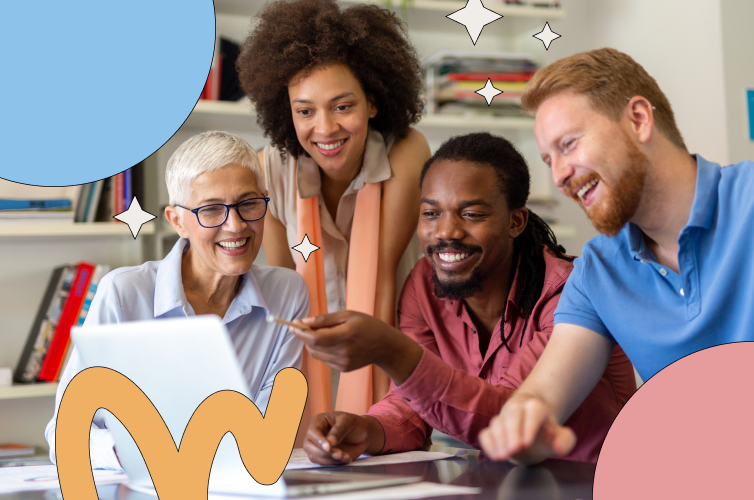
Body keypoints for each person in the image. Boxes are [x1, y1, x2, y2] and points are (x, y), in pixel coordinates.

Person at [289, 133, 636, 465]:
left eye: (471, 214)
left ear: (515, 221)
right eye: (431, 213)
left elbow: (509, 418)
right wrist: (365, 430)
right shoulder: (425, 285)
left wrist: (391, 350)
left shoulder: (570, 293)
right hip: (505, 485)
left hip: (597, 482)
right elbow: (414, 405)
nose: (446, 232)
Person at [478, 48, 754, 465]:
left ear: (639, 120)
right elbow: (542, 396)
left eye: (568, 145)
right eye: (549, 161)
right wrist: (524, 426)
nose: (559, 177)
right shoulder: (598, 270)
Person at [44, 131, 309, 469]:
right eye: (211, 210)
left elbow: (270, 427)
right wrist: (136, 451)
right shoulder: (124, 294)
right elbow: (63, 434)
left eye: (248, 203)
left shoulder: (287, 293)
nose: (236, 225)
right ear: (177, 221)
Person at [236, 0, 431, 417]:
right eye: (305, 111)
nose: (324, 129)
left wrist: (370, 419)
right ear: (286, 112)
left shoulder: (407, 150)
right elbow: (285, 293)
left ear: (372, 103)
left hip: (396, 370)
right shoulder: (269, 168)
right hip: (310, 371)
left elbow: (379, 278)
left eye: (343, 106)